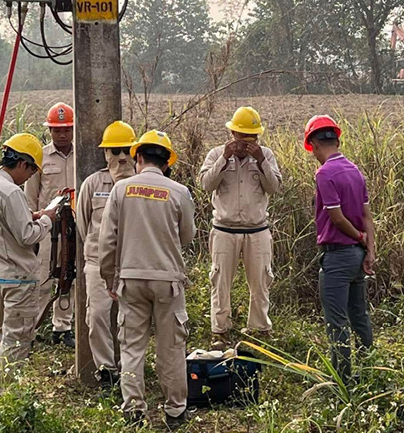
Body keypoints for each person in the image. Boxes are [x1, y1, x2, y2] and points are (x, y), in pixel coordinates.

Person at [98, 130, 196, 428]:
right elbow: (187, 236)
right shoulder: (179, 192)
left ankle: (134, 411)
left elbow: (107, 242)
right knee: (171, 348)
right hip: (167, 281)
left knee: (131, 347)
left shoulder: (121, 190)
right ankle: (175, 411)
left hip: (130, 279)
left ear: (138, 157)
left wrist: (108, 277)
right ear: (166, 163)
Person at [0, 133, 57, 391]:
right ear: (22, 164)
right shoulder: (11, 192)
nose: (29, 178)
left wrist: (28, 215)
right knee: (17, 338)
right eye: (31, 172)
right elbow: (27, 235)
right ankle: (7, 395)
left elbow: (0, 224)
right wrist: (47, 219)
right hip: (17, 277)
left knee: (2, 333)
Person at [199, 106, 282, 350]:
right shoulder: (216, 154)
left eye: (251, 138)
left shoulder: (266, 155)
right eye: (241, 137)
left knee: (261, 281)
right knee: (220, 281)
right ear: (232, 134)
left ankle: (259, 329)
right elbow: (206, 184)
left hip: (257, 230)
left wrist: (261, 160)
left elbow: (274, 187)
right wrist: (225, 158)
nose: (246, 144)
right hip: (224, 230)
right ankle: (220, 331)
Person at [304, 115, 375, 382]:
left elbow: (336, 218)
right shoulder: (354, 170)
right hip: (357, 256)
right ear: (336, 138)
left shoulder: (324, 173)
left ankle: (342, 380)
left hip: (337, 256)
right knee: (359, 316)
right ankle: (369, 372)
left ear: (313, 143)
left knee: (337, 322)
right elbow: (368, 215)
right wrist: (369, 250)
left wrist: (358, 237)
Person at [75, 120, 138, 387]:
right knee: (98, 316)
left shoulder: (143, 184)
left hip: (133, 266)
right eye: (115, 150)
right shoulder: (92, 184)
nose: (121, 157)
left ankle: (129, 371)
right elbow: (82, 223)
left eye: (126, 150)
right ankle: (107, 371)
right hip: (96, 265)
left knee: (132, 320)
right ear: (105, 154)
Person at [25, 102, 76, 347]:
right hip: (47, 228)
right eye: (57, 130)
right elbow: (30, 197)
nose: (62, 134)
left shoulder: (83, 154)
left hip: (74, 227)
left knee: (68, 277)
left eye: (66, 129)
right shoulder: (40, 157)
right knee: (43, 277)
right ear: (50, 132)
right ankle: (32, 330)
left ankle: (62, 327)